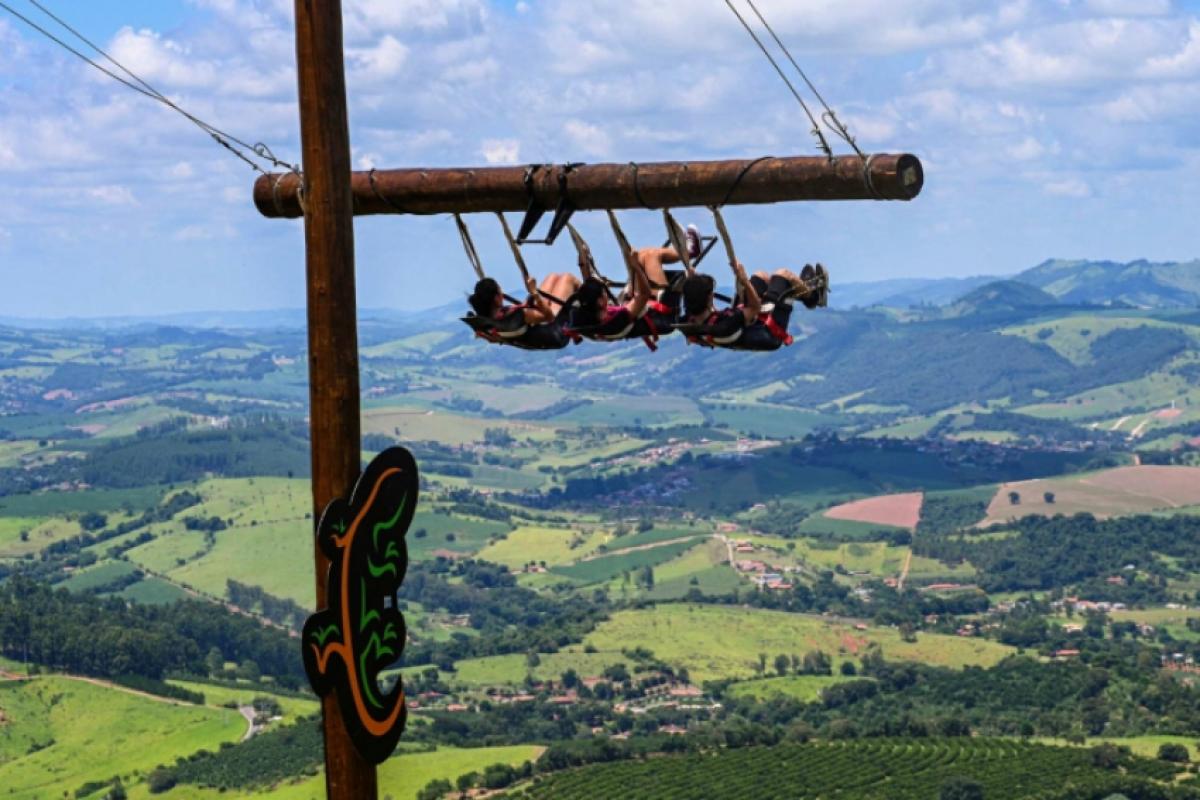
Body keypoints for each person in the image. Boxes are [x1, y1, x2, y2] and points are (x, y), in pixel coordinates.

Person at [569, 228, 701, 350]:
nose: (606, 293)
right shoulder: (617, 320)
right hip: (660, 315)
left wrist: (583, 261)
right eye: (604, 292)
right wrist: (635, 267)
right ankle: (689, 251)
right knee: (650, 255)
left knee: (642, 254)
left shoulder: (589, 314)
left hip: (641, 306)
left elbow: (588, 289)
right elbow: (644, 294)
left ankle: (687, 252)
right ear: (600, 301)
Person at [679, 262, 826, 351]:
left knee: (760, 275)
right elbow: (755, 307)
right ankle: (813, 297)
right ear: (709, 297)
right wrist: (744, 280)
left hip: (746, 324)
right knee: (783, 274)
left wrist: (691, 280)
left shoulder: (689, 321)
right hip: (769, 332)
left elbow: (697, 300)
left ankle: (799, 288)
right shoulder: (726, 324)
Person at [465, 272, 582, 350]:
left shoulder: (487, 322)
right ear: (496, 298)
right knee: (568, 278)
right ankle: (589, 302)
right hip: (556, 332)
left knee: (553, 277)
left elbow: (493, 339)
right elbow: (549, 317)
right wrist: (535, 294)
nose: (502, 294)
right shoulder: (515, 316)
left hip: (535, 329)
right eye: (500, 291)